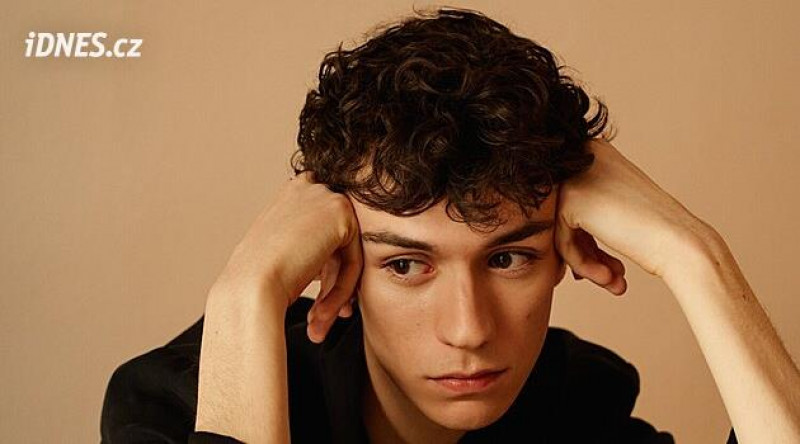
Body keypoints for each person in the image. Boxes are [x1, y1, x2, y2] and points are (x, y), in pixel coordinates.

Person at [100, 7, 800, 444]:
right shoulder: (183, 406)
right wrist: (247, 290)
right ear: (339, 264)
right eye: (406, 265)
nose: (468, 329)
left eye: (507, 259)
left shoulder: (574, 412)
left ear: (561, 256)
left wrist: (695, 256)